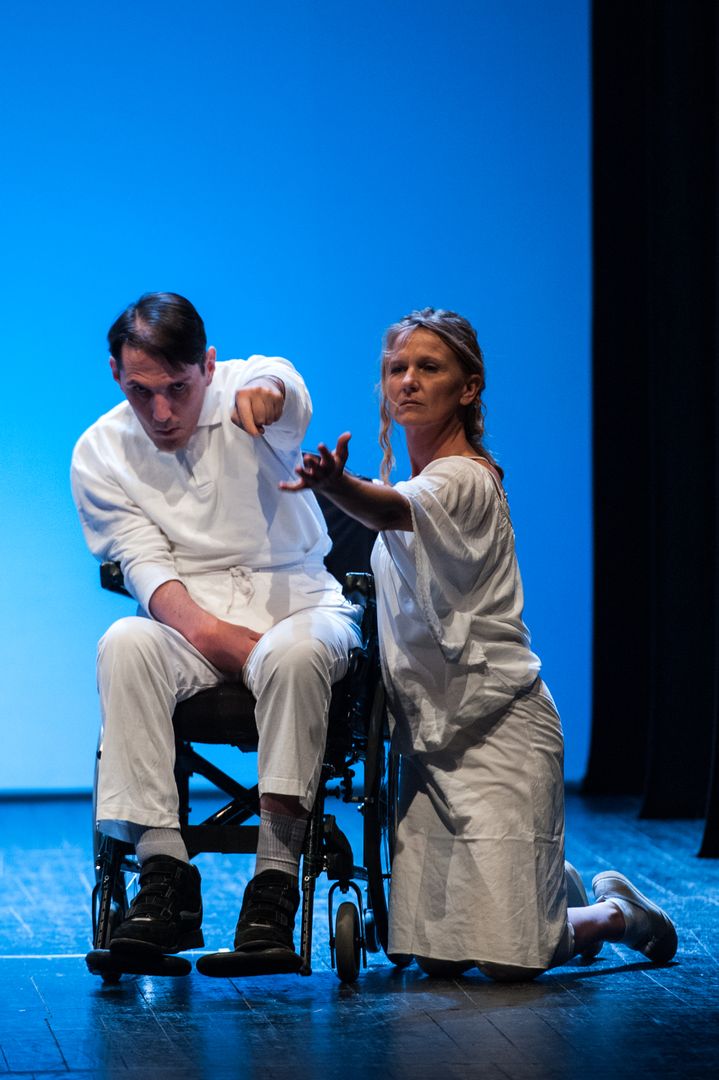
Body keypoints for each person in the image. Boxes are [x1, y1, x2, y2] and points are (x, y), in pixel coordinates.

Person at [281, 307, 678, 980]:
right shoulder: (415, 484)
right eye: (396, 368)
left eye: (428, 368)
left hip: (500, 733)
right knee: (437, 958)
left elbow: (389, 509)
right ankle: (546, 888)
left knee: (510, 963)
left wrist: (334, 484)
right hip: (430, 743)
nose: (407, 381)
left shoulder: (463, 479)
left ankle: (617, 914)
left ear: (468, 388)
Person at [71, 292, 362, 966]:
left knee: (295, 656)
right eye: (141, 392)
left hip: (297, 602)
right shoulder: (100, 453)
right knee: (124, 643)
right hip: (190, 619)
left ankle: (275, 884)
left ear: (207, 365)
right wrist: (221, 642)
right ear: (115, 373)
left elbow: (283, 388)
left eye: (178, 388)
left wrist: (269, 398)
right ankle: (164, 876)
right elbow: (147, 572)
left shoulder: (244, 392)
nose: (162, 412)